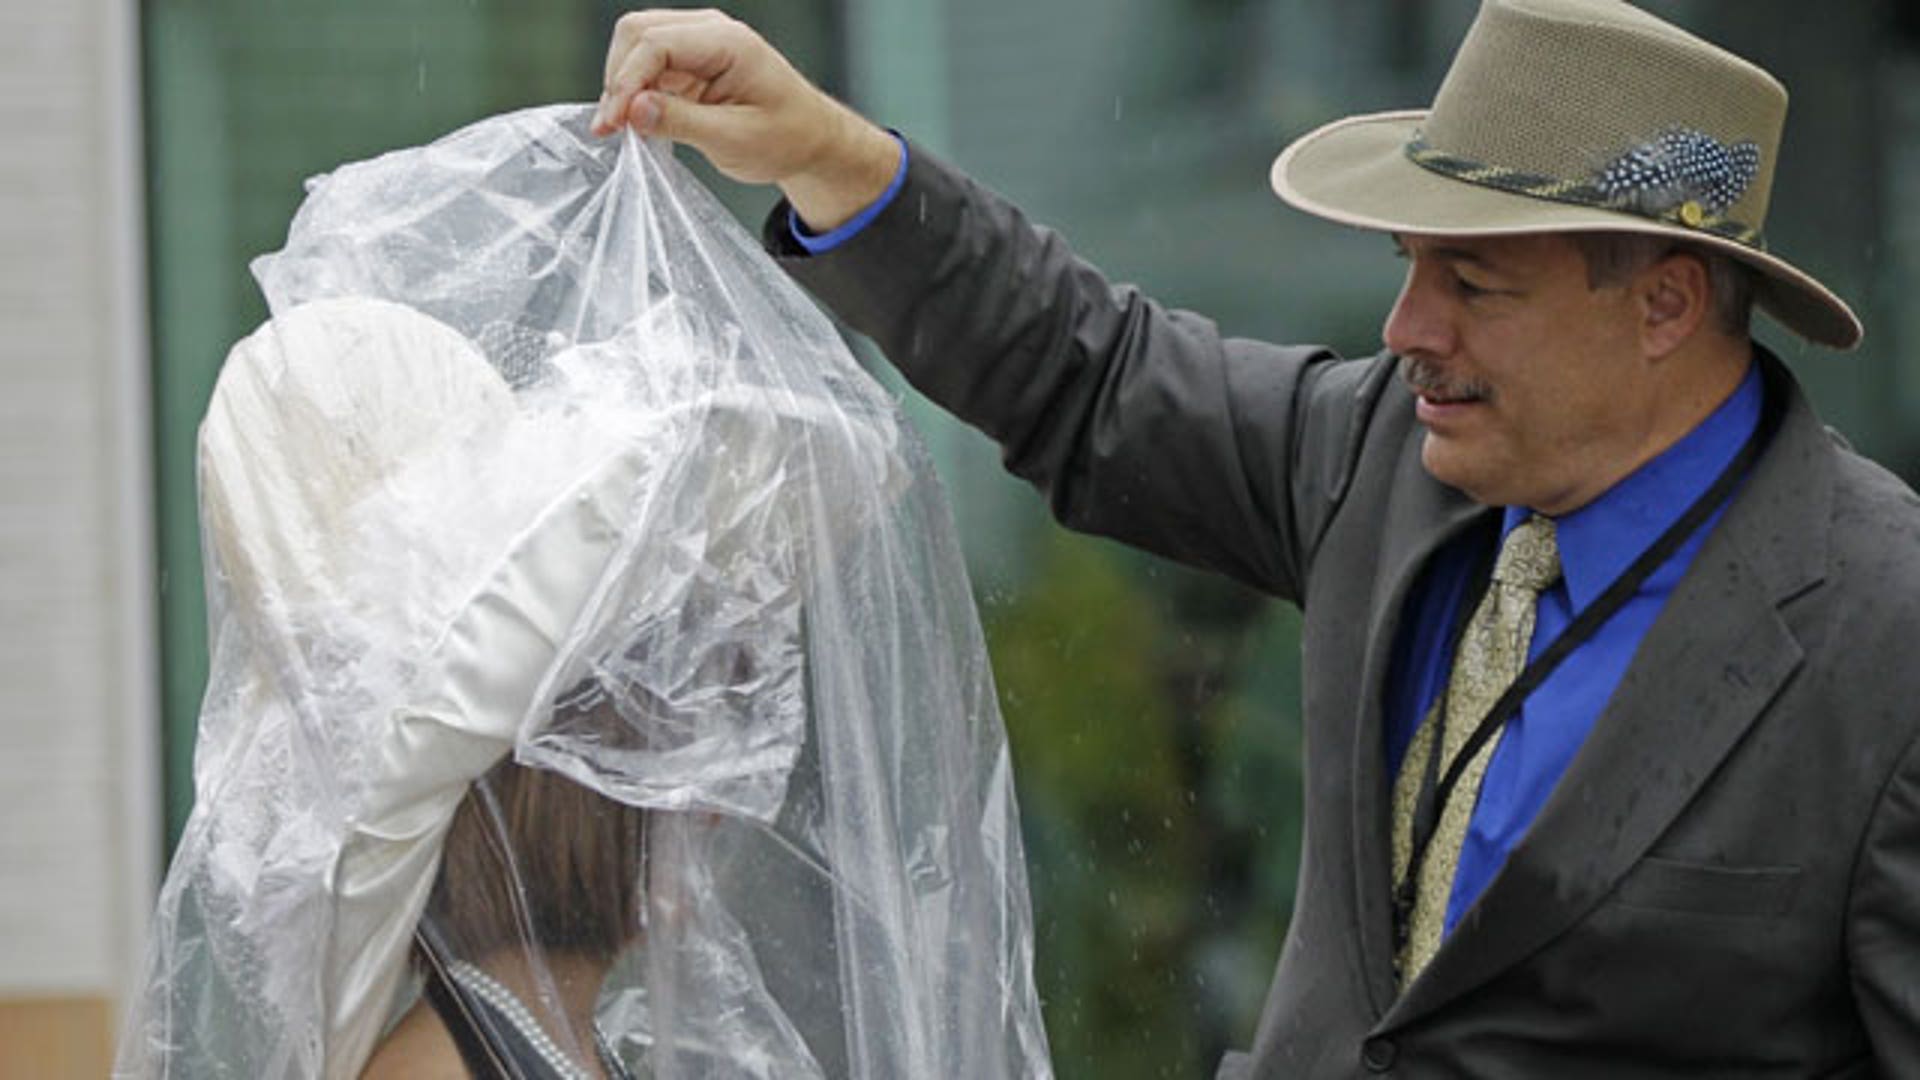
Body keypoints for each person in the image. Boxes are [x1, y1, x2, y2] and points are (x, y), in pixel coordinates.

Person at [593, 1, 1920, 1076]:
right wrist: (828, 154)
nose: (1407, 328)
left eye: (1473, 283)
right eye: (1408, 264)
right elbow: (1089, 374)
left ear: (1667, 305)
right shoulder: (1380, 457)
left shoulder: (1887, 631)